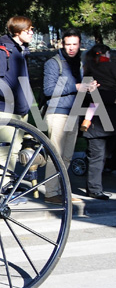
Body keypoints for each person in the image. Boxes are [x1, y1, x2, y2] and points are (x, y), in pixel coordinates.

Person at [43, 29, 97, 204]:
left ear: (80, 44)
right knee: (56, 154)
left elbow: (80, 89)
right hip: (57, 113)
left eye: (74, 44)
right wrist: (77, 86)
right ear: (62, 44)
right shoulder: (54, 63)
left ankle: (62, 191)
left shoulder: (79, 64)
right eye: (68, 44)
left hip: (73, 113)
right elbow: (48, 90)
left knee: (67, 156)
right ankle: (51, 193)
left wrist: (89, 88)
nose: (71, 48)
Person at [0, 16, 34, 168]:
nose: (32, 33)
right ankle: (1, 189)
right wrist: (13, 98)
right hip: (5, 109)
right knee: (4, 153)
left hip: (20, 109)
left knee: (14, 151)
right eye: (29, 30)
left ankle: (7, 186)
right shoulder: (3, 51)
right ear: (18, 32)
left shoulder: (21, 50)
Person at [80, 44, 116, 200]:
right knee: (100, 156)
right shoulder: (110, 68)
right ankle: (94, 189)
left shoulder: (88, 70)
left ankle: (94, 188)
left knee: (97, 156)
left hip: (95, 122)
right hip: (106, 120)